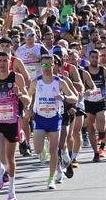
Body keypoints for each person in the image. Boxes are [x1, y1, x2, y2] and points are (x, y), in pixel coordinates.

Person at [28, 53, 78, 188]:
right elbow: (28, 97)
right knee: (38, 151)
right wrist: (28, 108)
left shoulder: (59, 82)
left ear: (53, 65)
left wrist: (63, 97)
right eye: (43, 64)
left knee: (54, 150)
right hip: (40, 118)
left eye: (49, 64)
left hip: (55, 118)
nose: (46, 67)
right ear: (40, 65)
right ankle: (42, 147)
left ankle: (51, 178)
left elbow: (74, 97)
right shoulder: (36, 82)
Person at [0, 51, 29, 200]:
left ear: (10, 62)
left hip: (12, 122)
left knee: (10, 157)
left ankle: (11, 190)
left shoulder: (17, 77)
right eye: (0, 60)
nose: (2, 63)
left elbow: (28, 99)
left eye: (5, 60)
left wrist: (20, 95)